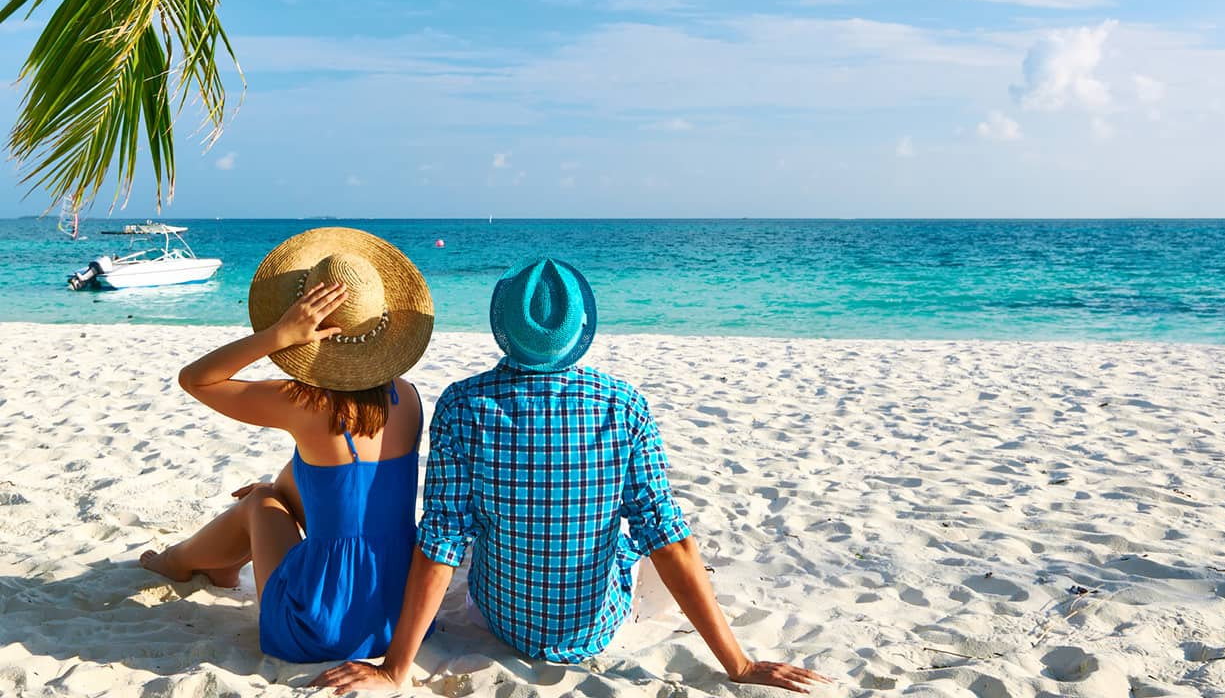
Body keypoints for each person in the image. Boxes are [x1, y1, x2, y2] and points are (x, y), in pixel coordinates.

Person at [313, 257, 829, 693]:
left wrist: (395, 670)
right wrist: (738, 665)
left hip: (503, 620)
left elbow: (442, 541)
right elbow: (667, 539)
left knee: (470, 534)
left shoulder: (461, 404)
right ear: (580, 330)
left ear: (505, 330)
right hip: (596, 631)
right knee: (640, 539)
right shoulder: (623, 405)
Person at [139, 228, 435, 663]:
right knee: (286, 484)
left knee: (260, 500)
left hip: (318, 626)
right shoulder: (407, 397)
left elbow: (196, 379)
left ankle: (176, 562)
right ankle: (212, 559)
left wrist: (277, 336)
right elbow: (338, 479)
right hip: (398, 618)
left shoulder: (302, 402)